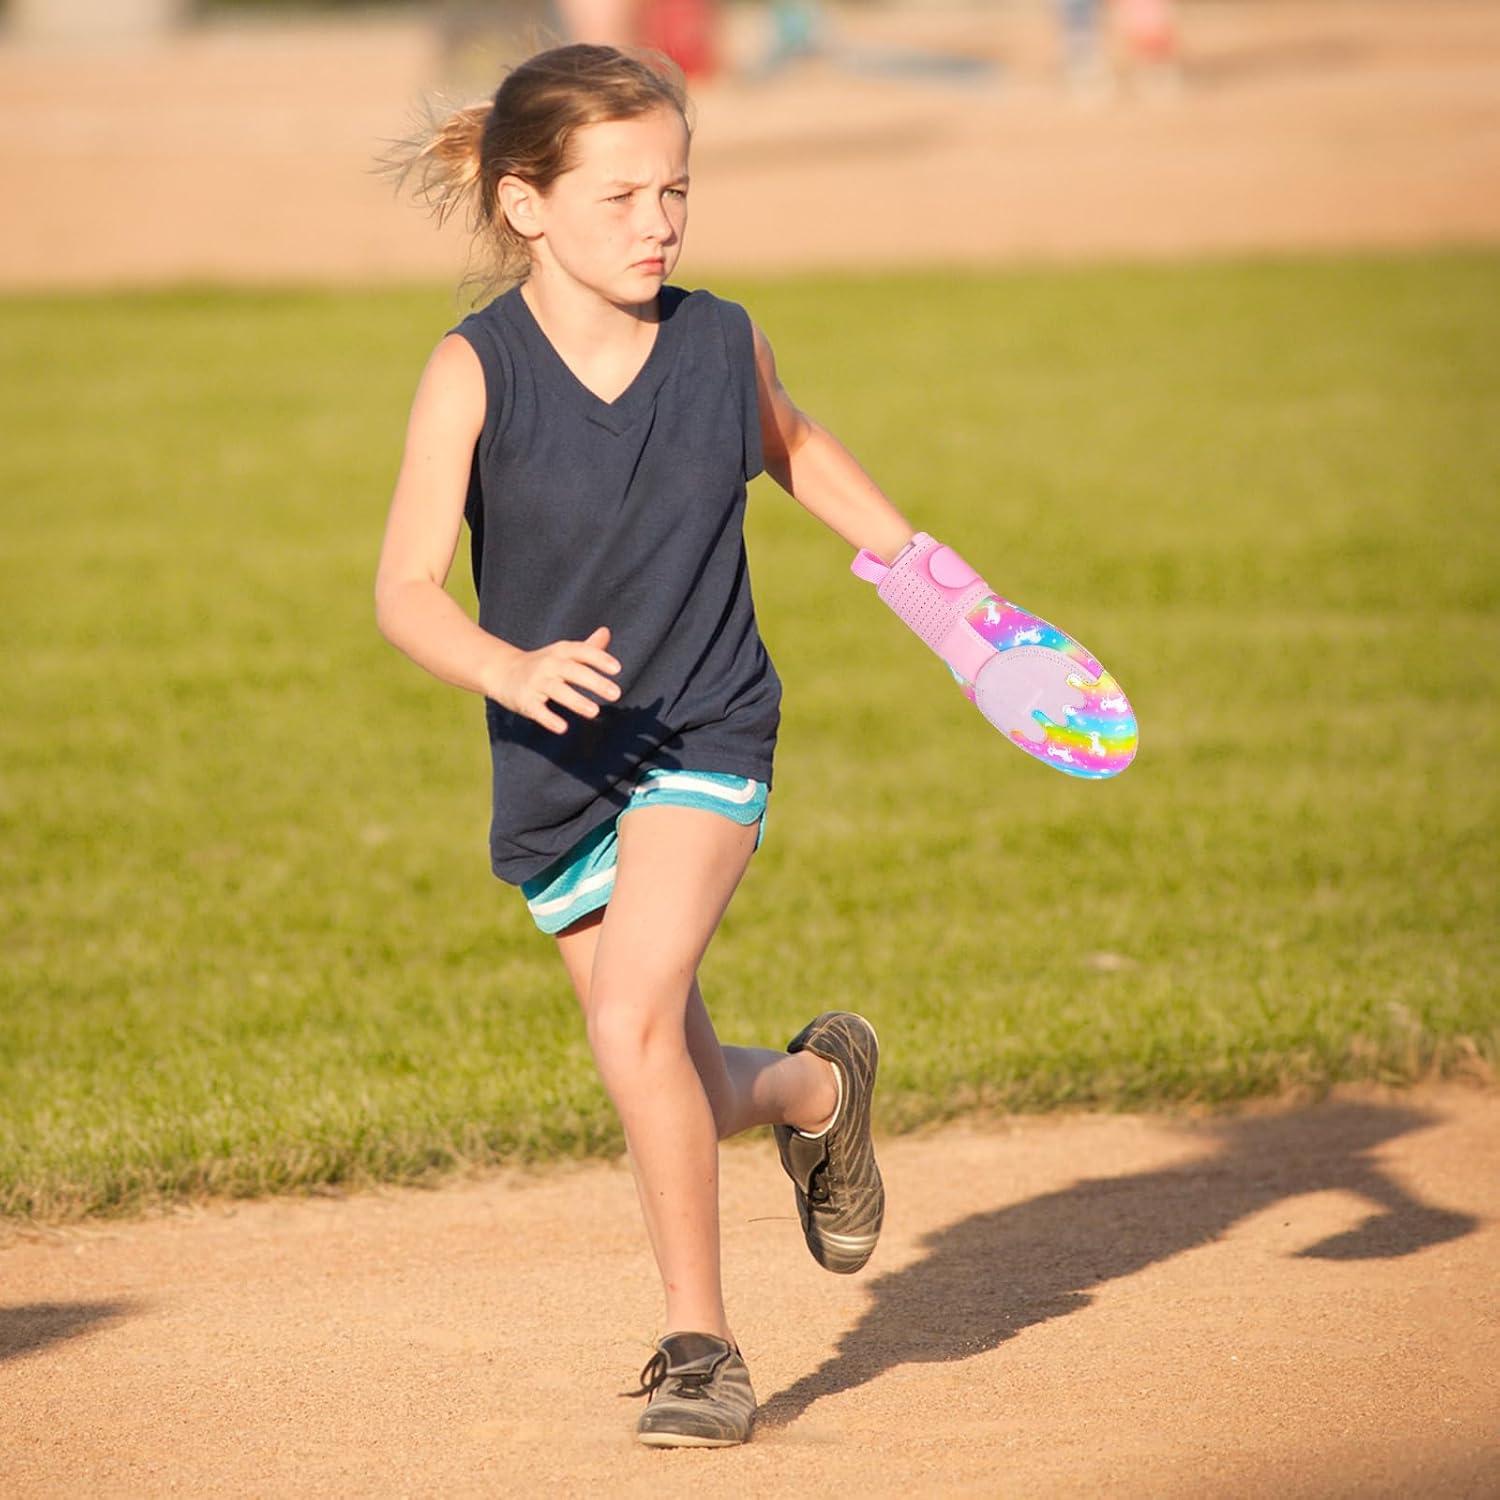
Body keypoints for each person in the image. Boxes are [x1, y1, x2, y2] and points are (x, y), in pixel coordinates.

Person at [372, 43, 913, 1448]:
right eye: (621, 197)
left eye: (675, 192)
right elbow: (404, 589)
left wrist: (932, 580)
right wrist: (509, 666)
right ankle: (817, 1086)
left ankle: (701, 1347)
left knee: (626, 1021)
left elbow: (794, 446)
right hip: (557, 766)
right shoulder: (471, 370)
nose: (659, 224)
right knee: (667, 1064)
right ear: (527, 204)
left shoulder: (720, 340)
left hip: (705, 726)